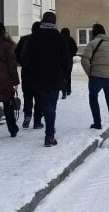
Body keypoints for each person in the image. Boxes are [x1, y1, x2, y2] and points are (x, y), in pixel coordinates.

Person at [21, 11, 72, 147]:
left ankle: (50, 128)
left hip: (38, 78)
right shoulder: (59, 38)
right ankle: (49, 134)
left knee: (44, 104)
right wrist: (65, 76)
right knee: (51, 106)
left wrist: (32, 70)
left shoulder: (33, 38)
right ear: (54, 22)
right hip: (55, 78)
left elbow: (25, 58)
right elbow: (66, 60)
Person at [80, 23, 109, 150]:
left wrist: (90, 74)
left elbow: (84, 60)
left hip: (96, 78)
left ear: (94, 33)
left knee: (93, 97)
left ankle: (97, 123)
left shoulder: (92, 44)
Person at [15, 21, 43, 129]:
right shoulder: (43, 41)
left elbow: (16, 54)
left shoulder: (24, 39)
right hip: (40, 74)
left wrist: (22, 64)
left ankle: (27, 116)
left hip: (26, 73)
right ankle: (37, 121)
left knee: (28, 96)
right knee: (39, 98)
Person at [60, 27, 78, 99]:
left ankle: (63, 91)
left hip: (60, 61)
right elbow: (75, 49)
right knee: (68, 75)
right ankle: (68, 90)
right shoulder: (71, 40)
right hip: (68, 60)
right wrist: (71, 55)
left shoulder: (59, 40)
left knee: (62, 76)